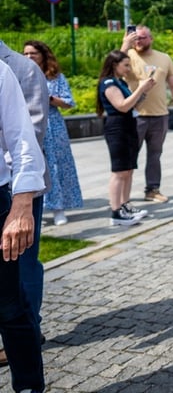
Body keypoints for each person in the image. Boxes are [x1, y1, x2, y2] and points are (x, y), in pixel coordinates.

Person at [0, 38, 49, 367]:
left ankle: (28, 333)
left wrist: (17, 194)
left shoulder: (21, 68)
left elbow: (30, 132)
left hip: (18, 189)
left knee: (22, 269)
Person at [120, 25, 173, 203]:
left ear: (151, 38)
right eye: (135, 38)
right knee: (129, 156)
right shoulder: (128, 56)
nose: (138, 41)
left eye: (142, 37)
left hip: (159, 115)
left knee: (155, 155)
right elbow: (113, 67)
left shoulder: (164, 58)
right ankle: (123, 196)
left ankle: (152, 189)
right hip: (135, 115)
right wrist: (125, 44)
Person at [22, 41, 84, 226]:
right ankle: (36, 211)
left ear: (43, 55)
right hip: (29, 124)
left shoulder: (55, 77)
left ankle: (58, 208)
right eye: (25, 53)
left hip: (53, 125)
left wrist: (48, 97)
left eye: (33, 53)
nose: (29, 57)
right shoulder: (20, 75)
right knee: (33, 166)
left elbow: (68, 102)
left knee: (57, 165)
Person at [96, 50, 155, 226]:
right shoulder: (108, 83)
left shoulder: (120, 82)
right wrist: (140, 88)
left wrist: (144, 92)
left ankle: (125, 205)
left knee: (128, 169)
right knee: (119, 171)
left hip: (128, 125)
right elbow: (121, 106)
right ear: (115, 65)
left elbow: (132, 104)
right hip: (117, 127)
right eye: (126, 65)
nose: (129, 69)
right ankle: (116, 212)